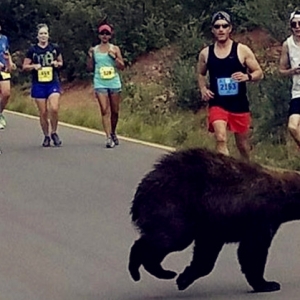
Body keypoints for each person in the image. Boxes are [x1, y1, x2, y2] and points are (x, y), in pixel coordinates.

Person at [197, 11, 263, 161]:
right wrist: (203, 89)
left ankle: (248, 171)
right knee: (220, 138)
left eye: (224, 26)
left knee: (242, 145)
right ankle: (224, 174)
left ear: (230, 28)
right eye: (217, 26)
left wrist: (247, 76)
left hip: (239, 104)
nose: (221, 29)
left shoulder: (242, 50)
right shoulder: (205, 53)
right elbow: (201, 74)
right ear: (212, 30)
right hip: (218, 103)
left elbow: (259, 72)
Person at [23, 23, 63, 147]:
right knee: (43, 112)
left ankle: (54, 132)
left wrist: (57, 63)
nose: (43, 36)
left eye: (45, 33)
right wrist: (33, 66)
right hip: (39, 84)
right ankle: (46, 136)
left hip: (53, 82)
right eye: (41, 34)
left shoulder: (54, 48)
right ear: (37, 36)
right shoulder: (32, 50)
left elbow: (61, 62)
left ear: (48, 35)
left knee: (54, 108)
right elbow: (24, 66)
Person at [87, 20, 125, 148]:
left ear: (110, 35)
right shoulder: (95, 50)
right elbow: (89, 68)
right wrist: (90, 57)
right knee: (104, 110)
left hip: (113, 82)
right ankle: (108, 137)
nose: (104, 36)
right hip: (100, 82)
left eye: (107, 34)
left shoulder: (115, 49)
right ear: (98, 35)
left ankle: (113, 132)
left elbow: (122, 66)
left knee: (115, 111)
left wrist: (115, 57)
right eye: (102, 33)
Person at [279, 10, 300, 149]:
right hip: (297, 92)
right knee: (292, 127)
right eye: (294, 24)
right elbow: (281, 70)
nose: (297, 27)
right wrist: (293, 71)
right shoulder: (287, 44)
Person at [0, 23, 16, 129]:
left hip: (3, 70)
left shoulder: (4, 39)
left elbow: (7, 52)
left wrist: (10, 63)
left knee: (6, 94)